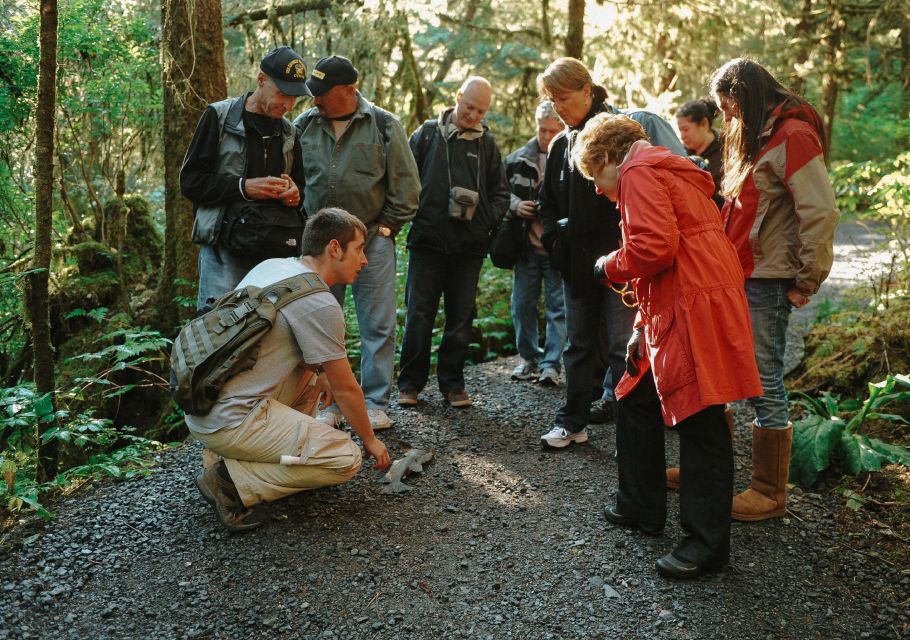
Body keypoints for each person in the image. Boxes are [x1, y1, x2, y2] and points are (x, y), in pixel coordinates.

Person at [573, 113, 762, 578]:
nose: (597, 189)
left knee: (701, 420)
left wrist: (607, 265)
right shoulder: (664, 168)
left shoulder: (638, 170)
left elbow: (653, 248)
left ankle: (706, 545)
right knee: (634, 395)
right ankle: (640, 505)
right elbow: (669, 252)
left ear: (608, 158)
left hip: (693, 305)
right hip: (687, 299)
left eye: (595, 176)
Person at [188, 208, 392, 533]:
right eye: (359, 249)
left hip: (205, 406)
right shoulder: (321, 302)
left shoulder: (272, 266)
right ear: (335, 248)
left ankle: (235, 456)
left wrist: (321, 374)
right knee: (345, 458)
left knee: (314, 376)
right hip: (231, 421)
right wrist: (369, 440)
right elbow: (347, 389)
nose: (364, 260)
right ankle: (230, 482)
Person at [535, 57, 686, 449]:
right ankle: (572, 421)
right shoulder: (560, 144)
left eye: (564, 98)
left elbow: (646, 193)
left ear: (587, 89)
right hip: (577, 265)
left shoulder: (617, 135)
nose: (558, 107)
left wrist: (629, 252)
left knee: (625, 346)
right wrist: (555, 243)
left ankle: (630, 430)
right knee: (578, 345)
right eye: (551, 101)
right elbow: (546, 202)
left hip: (623, 263)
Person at [711, 58, 838, 521]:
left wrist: (807, 279)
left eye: (730, 107)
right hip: (738, 274)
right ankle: (712, 471)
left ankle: (769, 492)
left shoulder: (794, 135)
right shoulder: (760, 135)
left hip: (768, 279)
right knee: (723, 370)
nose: (727, 118)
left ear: (749, 96)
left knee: (764, 379)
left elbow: (820, 212)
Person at [293, 55, 420, 432]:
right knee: (317, 324)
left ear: (349, 90)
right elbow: (294, 181)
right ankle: (326, 404)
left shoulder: (383, 124)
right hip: (318, 245)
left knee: (377, 324)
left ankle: (375, 402)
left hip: (370, 240)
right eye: (312, 94)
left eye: (323, 94)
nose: (315, 101)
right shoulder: (303, 125)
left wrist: (385, 228)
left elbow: (407, 187)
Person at [397, 76, 511, 408]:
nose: (474, 115)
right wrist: (413, 217)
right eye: (470, 107)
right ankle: (410, 385)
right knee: (419, 314)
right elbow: (405, 178)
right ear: (457, 98)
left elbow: (501, 193)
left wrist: (484, 223)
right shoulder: (427, 134)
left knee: (461, 317)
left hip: (469, 248)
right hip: (427, 242)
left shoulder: (486, 144)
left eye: (481, 111)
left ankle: (452, 385)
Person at [181, 46, 309, 311]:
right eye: (282, 93)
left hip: (273, 252)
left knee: (267, 332)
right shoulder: (219, 117)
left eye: (295, 97)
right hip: (224, 249)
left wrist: (294, 195)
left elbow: (300, 191)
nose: (288, 104)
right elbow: (191, 181)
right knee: (218, 325)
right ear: (262, 79)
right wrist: (243, 188)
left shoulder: (290, 133)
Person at [505, 100, 567, 387]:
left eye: (553, 130)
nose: (547, 136)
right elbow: (499, 192)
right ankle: (528, 357)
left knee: (558, 307)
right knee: (522, 305)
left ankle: (551, 364)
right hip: (526, 246)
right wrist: (517, 205)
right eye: (543, 130)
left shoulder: (571, 156)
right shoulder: (518, 159)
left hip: (556, 248)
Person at [676, 98, 725, 210]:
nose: (682, 136)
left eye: (686, 129)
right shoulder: (681, 154)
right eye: (680, 131)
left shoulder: (727, 148)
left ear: (704, 124)